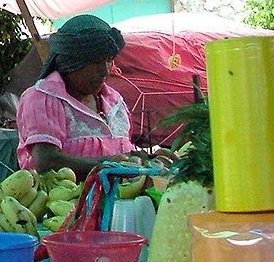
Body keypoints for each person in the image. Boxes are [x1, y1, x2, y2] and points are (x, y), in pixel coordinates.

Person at [15, 14, 168, 180]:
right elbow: (46, 162)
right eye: (95, 62)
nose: (105, 71)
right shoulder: (43, 98)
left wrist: (147, 159)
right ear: (71, 63)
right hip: (68, 203)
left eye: (109, 60)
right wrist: (110, 165)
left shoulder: (115, 101)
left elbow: (122, 153)